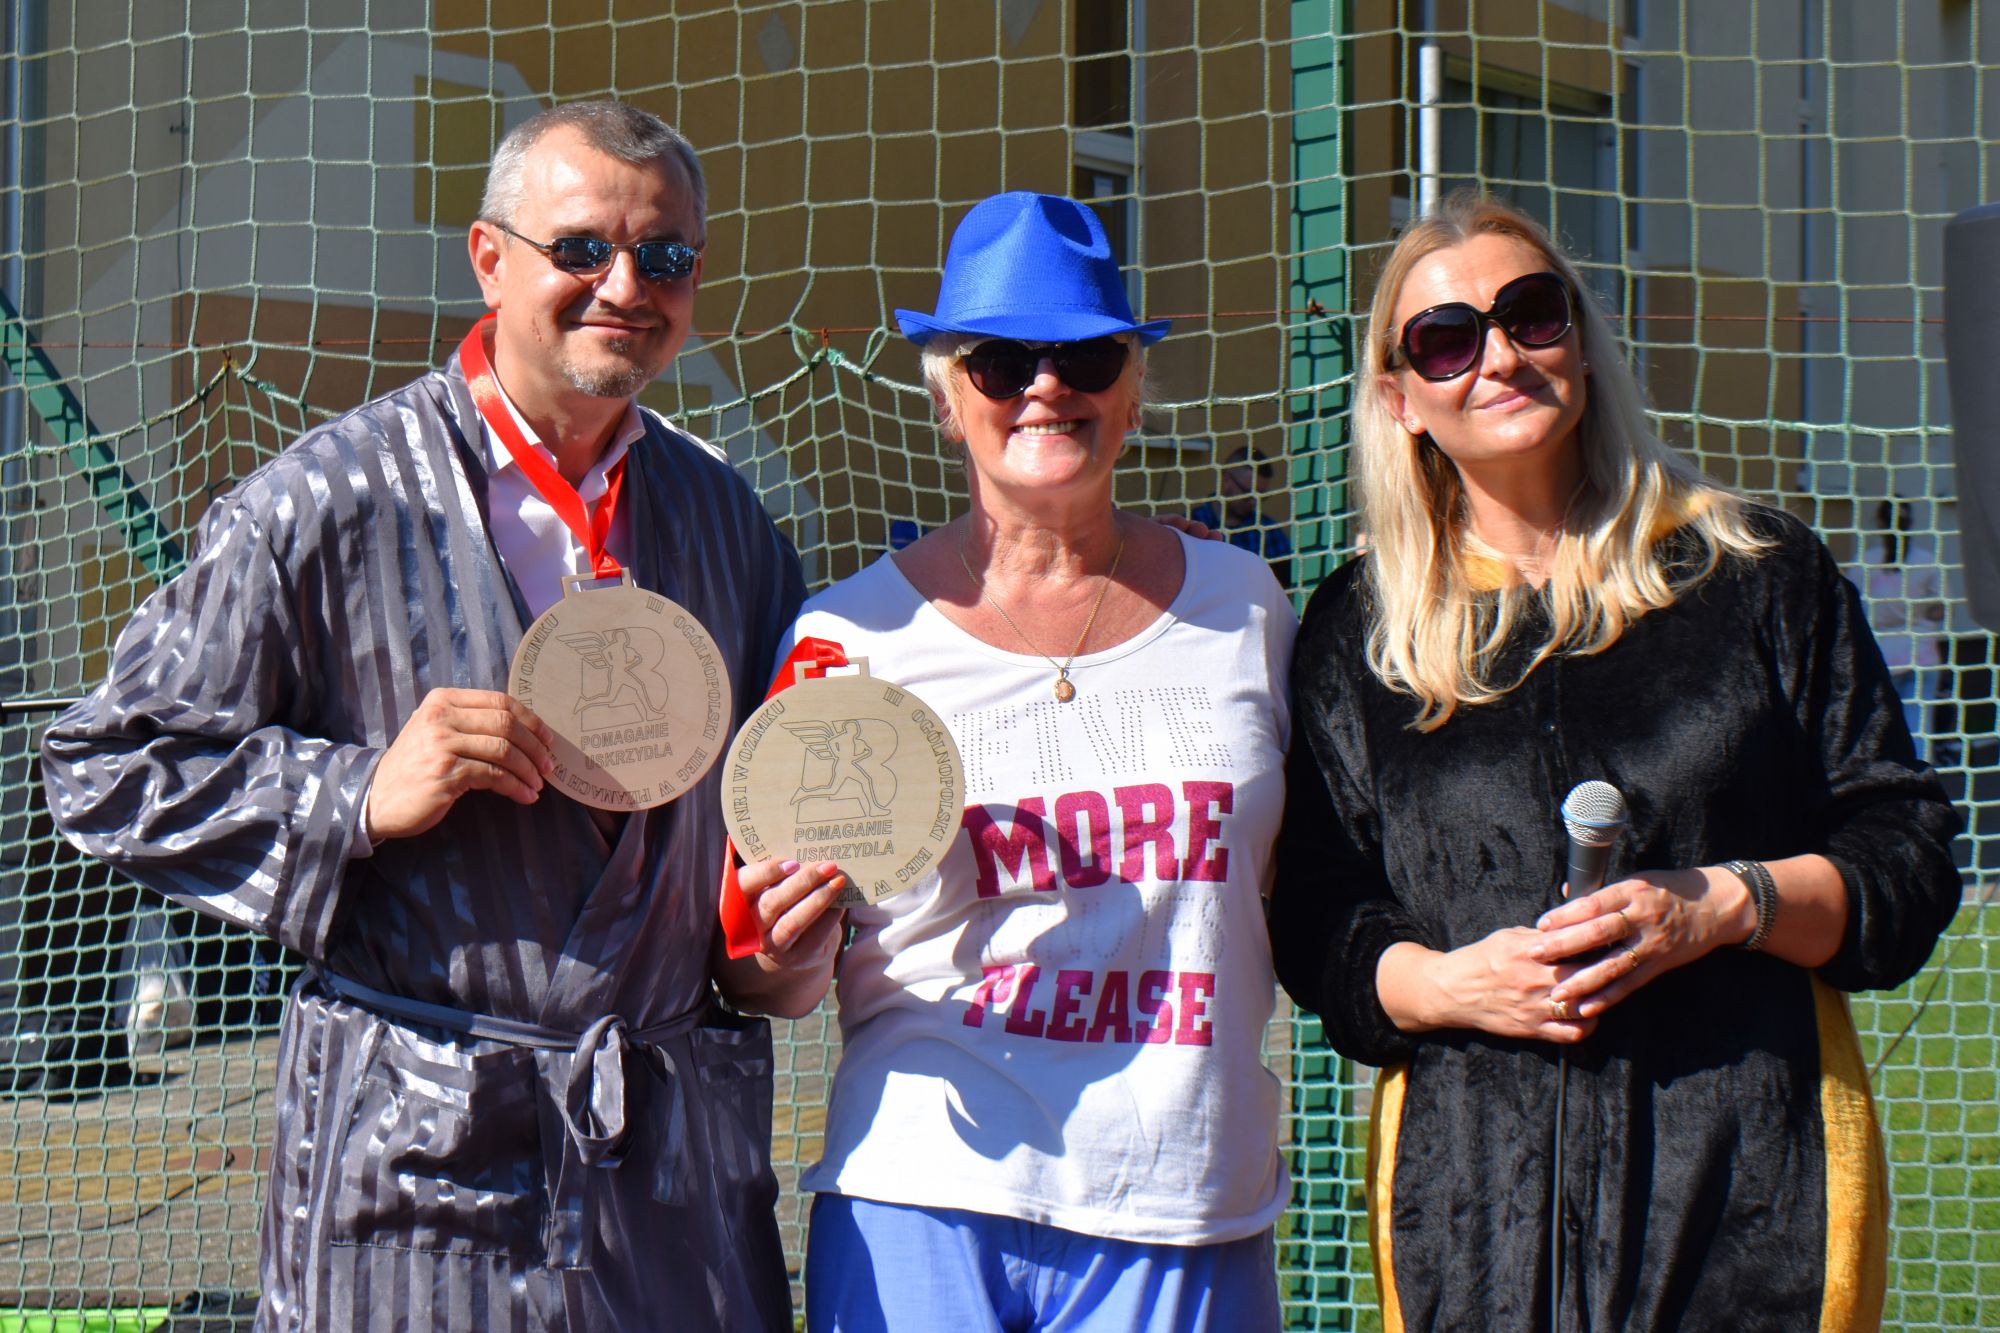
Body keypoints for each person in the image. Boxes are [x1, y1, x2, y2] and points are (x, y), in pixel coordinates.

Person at [39, 101, 842, 1332]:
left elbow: (772, 818)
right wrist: (354, 792)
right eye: (580, 248)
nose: (624, 286)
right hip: (413, 1176)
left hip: (670, 1183)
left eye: (665, 255)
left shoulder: (727, 523)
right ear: (488, 259)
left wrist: (779, 951)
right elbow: (106, 764)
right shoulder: (323, 502)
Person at [1269, 192, 1961, 1331]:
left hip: (1748, 1193)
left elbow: (1905, 850)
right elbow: (1316, 910)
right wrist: (1447, 983)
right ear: (1398, 400)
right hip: (1472, 1213)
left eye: (1530, 314)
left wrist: (1719, 905)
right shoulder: (1359, 628)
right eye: (1445, 340)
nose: (1498, 356)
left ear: (1581, 341)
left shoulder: (1756, 572)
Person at [771, 192, 1296, 1331]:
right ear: (946, 397)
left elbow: (1299, 881)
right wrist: (780, 941)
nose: (1046, 388)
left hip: (1181, 1200)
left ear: (1135, 390)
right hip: (922, 1186)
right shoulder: (847, 637)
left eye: (1087, 358)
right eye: (1002, 364)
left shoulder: (1244, 606)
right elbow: (772, 977)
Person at [1190, 444, 1294, 588]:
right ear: (1226, 480)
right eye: (1248, 494)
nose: (1254, 503)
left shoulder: (1269, 532)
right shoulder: (1192, 527)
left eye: (1261, 497)